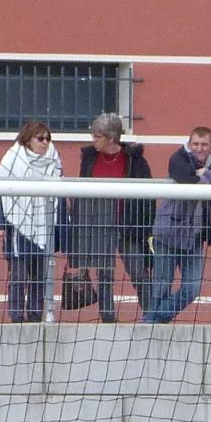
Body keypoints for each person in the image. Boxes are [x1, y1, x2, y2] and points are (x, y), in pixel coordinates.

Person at [145, 127, 211, 324]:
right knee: (161, 288)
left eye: (204, 144)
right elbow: (187, 181)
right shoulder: (178, 157)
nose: (199, 148)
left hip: (194, 237)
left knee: (193, 288)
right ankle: (152, 326)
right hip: (168, 231)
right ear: (190, 144)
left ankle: (152, 319)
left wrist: (207, 172)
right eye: (195, 144)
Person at [68, 112, 154, 323]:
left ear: (111, 138)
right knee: (104, 275)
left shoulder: (134, 160)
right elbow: (82, 189)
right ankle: (107, 317)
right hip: (98, 222)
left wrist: (145, 227)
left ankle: (151, 315)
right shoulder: (90, 158)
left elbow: (148, 195)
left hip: (127, 224)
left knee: (138, 272)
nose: (93, 140)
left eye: (97, 136)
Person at [0, 120, 62, 323]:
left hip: (44, 225)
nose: (45, 142)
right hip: (18, 226)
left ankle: (35, 315)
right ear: (28, 139)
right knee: (19, 274)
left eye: (48, 139)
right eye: (40, 138)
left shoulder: (54, 160)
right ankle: (16, 316)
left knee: (40, 275)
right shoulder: (12, 159)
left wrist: (62, 228)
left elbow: (60, 196)